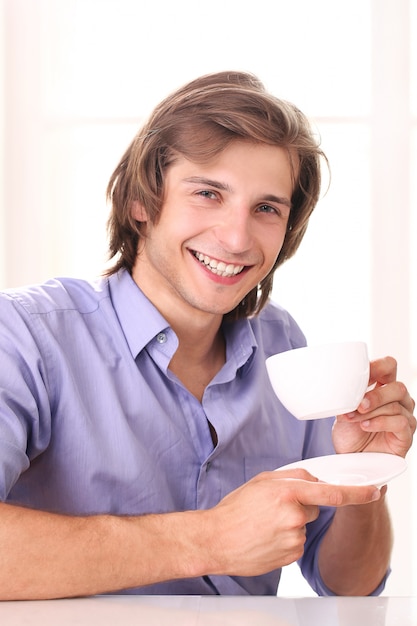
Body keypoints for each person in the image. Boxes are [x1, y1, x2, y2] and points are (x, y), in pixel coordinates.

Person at [0, 71, 415, 601]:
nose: (237, 237)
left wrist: (364, 473)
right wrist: (208, 540)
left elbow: (351, 589)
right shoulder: (26, 337)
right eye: (207, 193)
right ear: (141, 203)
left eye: (267, 208)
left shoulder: (283, 344)